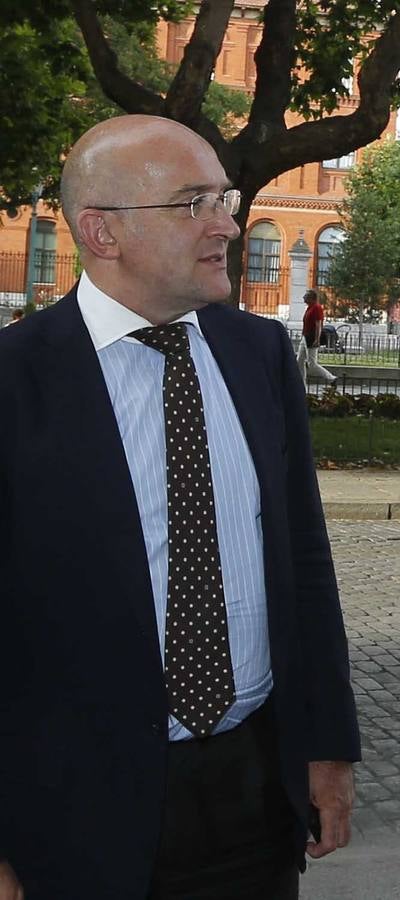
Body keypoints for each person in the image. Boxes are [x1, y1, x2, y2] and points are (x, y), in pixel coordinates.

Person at [0, 115, 359, 900]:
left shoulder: (258, 355)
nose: (227, 224)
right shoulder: (15, 381)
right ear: (103, 232)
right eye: (195, 202)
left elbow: (305, 562)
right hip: (70, 811)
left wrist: (327, 750)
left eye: (223, 199)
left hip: (254, 793)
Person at [297, 289, 337, 390]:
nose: (303, 297)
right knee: (299, 360)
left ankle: (332, 378)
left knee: (312, 364)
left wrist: (317, 339)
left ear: (311, 298)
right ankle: (301, 384)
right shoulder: (310, 307)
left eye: (306, 296)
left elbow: (318, 324)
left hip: (311, 337)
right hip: (305, 337)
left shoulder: (317, 308)